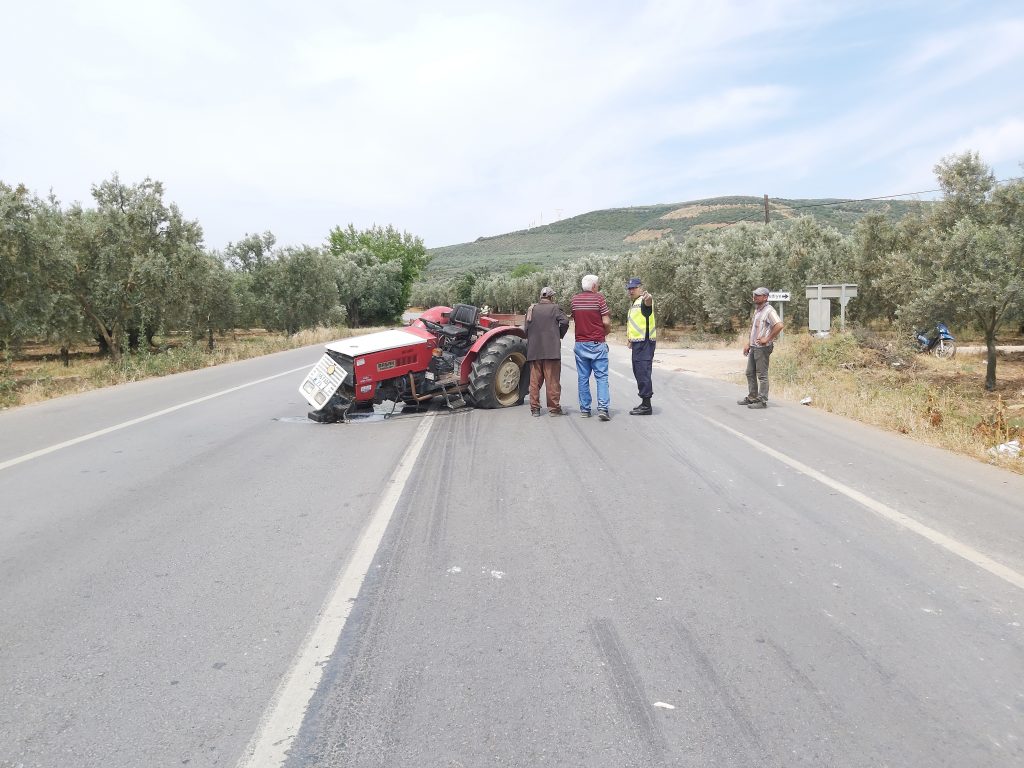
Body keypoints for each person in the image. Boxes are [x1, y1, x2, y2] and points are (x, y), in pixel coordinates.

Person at [570, 274, 612, 420]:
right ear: (594, 286)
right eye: (597, 285)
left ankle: (585, 410)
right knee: (601, 377)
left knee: (583, 377)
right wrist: (604, 334)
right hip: (596, 344)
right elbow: (606, 322)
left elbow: (576, 320)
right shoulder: (599, 298)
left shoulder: (574, 300)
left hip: (580, 344)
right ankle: (602, 409)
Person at [523, 286, 569, 416]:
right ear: (551, 297)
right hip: (551, 351)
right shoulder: (555, 308)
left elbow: (525, 330)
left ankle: (535, 409)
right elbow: (565, 321)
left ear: (541, 297)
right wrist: (559, 334)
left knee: (534, 381)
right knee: (552, 380)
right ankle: (554, 409)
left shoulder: (531, 309)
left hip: (534, 351)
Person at [739, 287, 783, 409]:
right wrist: (748, 343)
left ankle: (762, 400)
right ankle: (752, 397)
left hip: (762, 348)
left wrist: (767, 339)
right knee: (749, 372)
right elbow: (753, 329)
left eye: (758, 295)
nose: (755, 297)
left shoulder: (769, 311)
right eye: (754, 295)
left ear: (765, 297)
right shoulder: (757, 310)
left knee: (762, 375)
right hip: (754, 346)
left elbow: (779, 325)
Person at [624, 278, 656, 415]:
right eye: (629, 289)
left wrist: (648, 298)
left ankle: (647, 405)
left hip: (645, 342)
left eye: (634, 288)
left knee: (643, 372)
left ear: (640, 288)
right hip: (638, 342)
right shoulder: (634, 303)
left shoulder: (643, 300)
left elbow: (648, 302)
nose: (631, 291)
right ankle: (644, 402)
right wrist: (630, 338)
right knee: (638, 371)